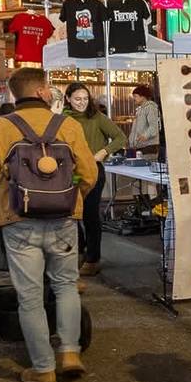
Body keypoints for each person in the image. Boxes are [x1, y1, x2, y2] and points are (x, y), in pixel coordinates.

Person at [0, 67, 98, 382]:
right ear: (41, 91)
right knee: (66, 285)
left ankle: (42, 368)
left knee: (29, 295)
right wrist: (70, 199)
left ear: (15, 94)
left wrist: (5, 203)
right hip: (65, 218)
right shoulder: (67, 125)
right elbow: (89, 173)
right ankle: (69, 353)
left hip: (19, 221)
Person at [63, 82, 127, 277]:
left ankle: (93, 259)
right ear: (68, 99)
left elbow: (120, 138)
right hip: (70, 173)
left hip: (93, 171)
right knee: (72, 214)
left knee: (90, 214)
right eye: (77, 99)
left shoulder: (97, 117)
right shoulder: (61, 119)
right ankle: (80, 250)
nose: (81, 103)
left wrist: (103, 152)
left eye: (85, 98)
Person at [128, 84, 161, 156]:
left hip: (149, 147)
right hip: (141, 147)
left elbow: (154, 126)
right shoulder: (140, 109)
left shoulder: (151, 108)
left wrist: (145, 136)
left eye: (135, 96)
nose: (134, 98)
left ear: (143, 96)